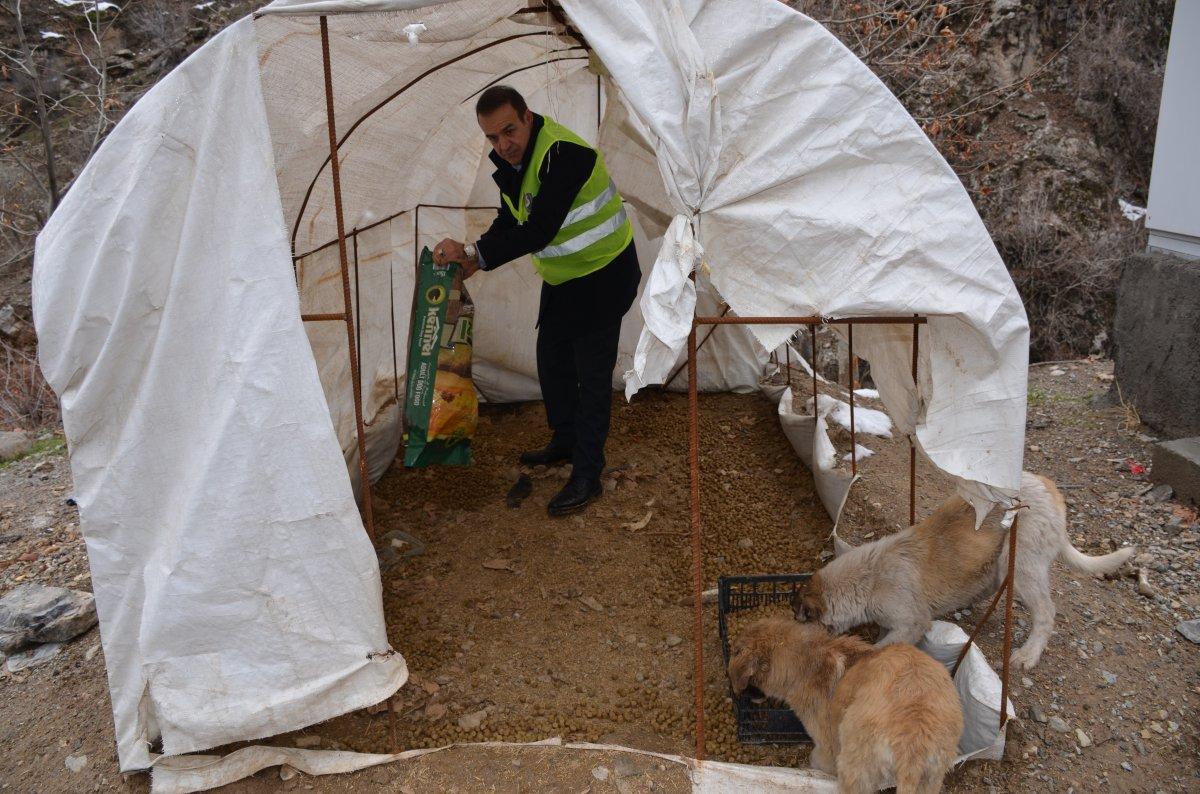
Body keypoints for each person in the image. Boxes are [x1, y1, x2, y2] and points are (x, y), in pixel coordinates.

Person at [433, 85, 640, 517]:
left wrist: (476, 254)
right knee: (552, 360)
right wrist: (478, 257)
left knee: (592, 377)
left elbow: (540, 229)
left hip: (605, 274)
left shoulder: (566, 154)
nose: (503, 145)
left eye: (509, 131)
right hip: (566, 278)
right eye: (491, 137)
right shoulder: (515, 162)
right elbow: (512, 217)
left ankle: (588, 474)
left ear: (528, 117)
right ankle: (565, 441)